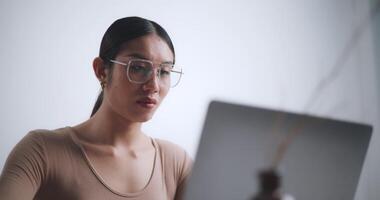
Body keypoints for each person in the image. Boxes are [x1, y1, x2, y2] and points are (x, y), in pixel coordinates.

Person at [0, 16, 192, 200]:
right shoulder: (41, 151)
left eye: (164, 72)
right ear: (101, 71)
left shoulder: (176, 163)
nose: (154, 86)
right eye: (138, 67)